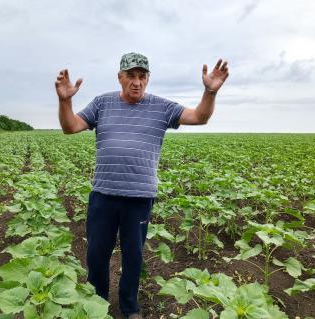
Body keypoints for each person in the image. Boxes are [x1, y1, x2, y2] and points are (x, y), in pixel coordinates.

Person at [55, 52, 229, 319]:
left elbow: (199, 117)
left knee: (133, 256)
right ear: (120, 77)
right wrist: (65, 100)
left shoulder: (162, 107)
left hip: (139, 197)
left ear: (147, 79)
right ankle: (95, 305)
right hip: (103, 194)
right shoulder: (102, 103)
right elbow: (70, 126)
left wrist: (210, 92)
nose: (136, 82)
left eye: (142, 76)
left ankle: (129, 307)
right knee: (97, 254)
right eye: (131, 76)